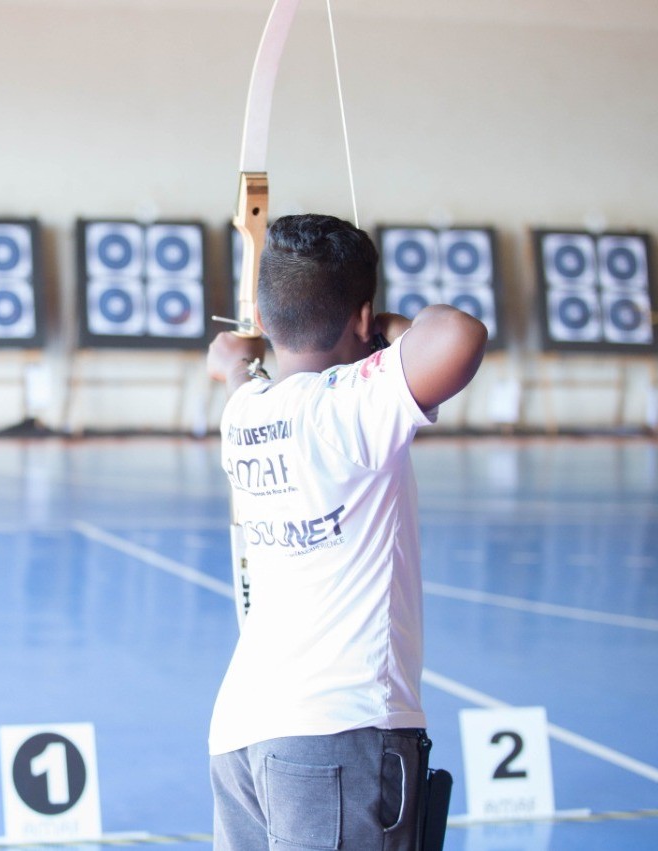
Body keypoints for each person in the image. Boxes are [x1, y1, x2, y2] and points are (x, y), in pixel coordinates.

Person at [205, 213, 487, 851]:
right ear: (361, 317)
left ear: (267, 316)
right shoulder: (350, 406)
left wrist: (242, 354)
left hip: (241, 735)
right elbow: (457, 333)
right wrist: (378, 328)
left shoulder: (245, 411)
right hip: (339, 731)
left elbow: (238, 369)